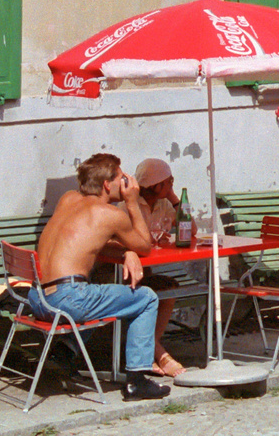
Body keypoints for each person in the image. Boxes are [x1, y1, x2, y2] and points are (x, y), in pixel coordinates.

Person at [32, 153, 171, 401]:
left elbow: (88, 240)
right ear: (108, 185)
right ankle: (137, 380)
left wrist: (126, 251)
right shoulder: (109, 214)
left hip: (38, 299)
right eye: (121, 177)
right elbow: (146, 245)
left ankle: (63, 355)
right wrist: (131, 202)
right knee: (147, 297)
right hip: (68, 301)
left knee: (97, 292)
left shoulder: (68, 199)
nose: (127, 182)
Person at [133, 158, 187, 378]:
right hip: (124, 272)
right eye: (168, 181)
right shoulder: (131, 204)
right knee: (148, 294)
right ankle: (161, 354)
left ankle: (150, 351)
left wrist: (174, 198)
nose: (172, 183)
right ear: (155, 184)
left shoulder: (165, 203)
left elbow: (189, 230)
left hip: (148, 269)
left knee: (168, 289)